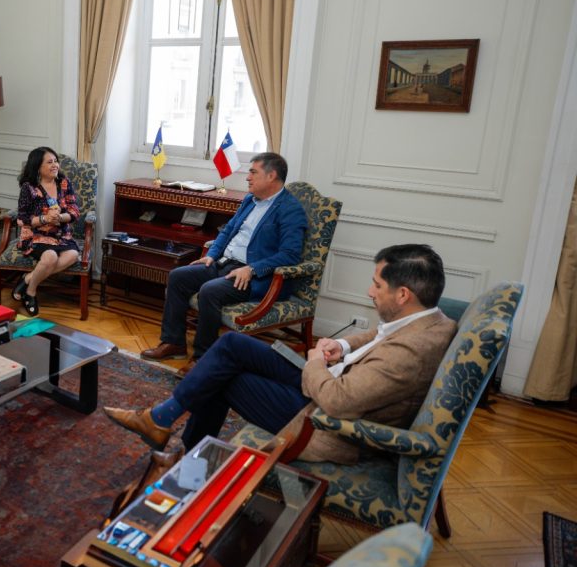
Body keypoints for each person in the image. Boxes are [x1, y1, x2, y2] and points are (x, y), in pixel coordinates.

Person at [105, 244, 457, 464]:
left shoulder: (410, 352)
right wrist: (344, 345)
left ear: (403, 295)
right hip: (324, 384)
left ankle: (182, 451)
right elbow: (380, 334)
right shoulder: (430, 320)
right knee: (231, 346)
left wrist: (316, 361)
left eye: (377, 285)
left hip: (322, 421)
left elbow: (338, 402)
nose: (369, 292)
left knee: (223, 377)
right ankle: (164, 424)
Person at [141, 152, 308, 368]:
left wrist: (252, 269)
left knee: (210, 291)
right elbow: (228, 230)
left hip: (253, 277)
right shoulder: (250, 200)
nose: (247, 177)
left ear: (271, 176)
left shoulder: (290, 209)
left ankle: (204, 359)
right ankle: (173, 344)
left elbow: (290, 254)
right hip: (224, 263)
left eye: (253, 172)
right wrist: (211, 255)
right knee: (178, 277)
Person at [12, 147, 81, 317]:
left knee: (73, 255)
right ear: (38, 167)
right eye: (49, 162)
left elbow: (74, 211)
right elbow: (23, 218)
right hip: (36, 234)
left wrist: (60, 218)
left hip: (61, 234)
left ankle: (28, 279)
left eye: (56, 161)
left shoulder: (63, 182)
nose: (55, 165)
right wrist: (45, 219)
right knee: (50, 257)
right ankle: (31, 293)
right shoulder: (29, 188)